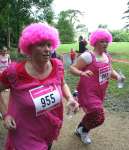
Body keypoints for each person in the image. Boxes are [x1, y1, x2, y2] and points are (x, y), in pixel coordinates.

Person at [0, 22, 79, 150]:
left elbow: (62, 83)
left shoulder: (57, 66)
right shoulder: (14, 72)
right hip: (24, 131)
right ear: (29, 47)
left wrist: (70, 97)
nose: (47, 49)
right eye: (41, 45)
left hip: (49, 127)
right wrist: (5, 114)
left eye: (49, 45)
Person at [70, 29, 122, 144]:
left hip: (100, 92)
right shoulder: (88, 56)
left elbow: (110, 71)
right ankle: (84, 131)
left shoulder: (107, 56)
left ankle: (80, 129)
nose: (105, 44)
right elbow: (72, 68)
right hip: (87, 91)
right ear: (95, 42)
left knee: (93, 114)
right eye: (102, 41)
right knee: (99, 116)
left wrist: (118, 77)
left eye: (106, 41)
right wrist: (81, 73)